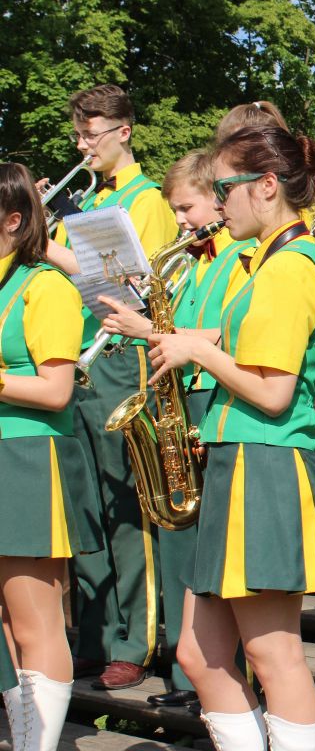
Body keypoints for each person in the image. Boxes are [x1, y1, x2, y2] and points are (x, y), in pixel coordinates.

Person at [147, 126, 315, 751]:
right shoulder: (268, 262)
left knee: (273, 655)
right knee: (199, 655)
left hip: (267, 464)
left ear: (266, 187)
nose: (217, 202)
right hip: (241, 460)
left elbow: (274, 392)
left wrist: (196, 353)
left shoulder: (289, 267)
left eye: (224, 188)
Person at [98, 150, 254, 710]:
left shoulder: (242, 256)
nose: (181, 220)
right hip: (182, 402)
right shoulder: (190, 262)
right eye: (175, 210)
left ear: (217, 197)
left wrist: (151, 330)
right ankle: (191, 679)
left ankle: (226, 677)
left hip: (218, 399)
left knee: (211, 549)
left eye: (187, 208)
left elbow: (228, 335)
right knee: (178, 538)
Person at [42, 84, 178, 689]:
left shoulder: (146, 200)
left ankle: (137, 639)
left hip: (121, 356)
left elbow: (128, 284)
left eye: (91, 134)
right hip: (79, 359)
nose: (82, 145)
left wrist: (44, 244)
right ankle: (95, 635)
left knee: (126, 502)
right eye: (78, 135)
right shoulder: (91, 198)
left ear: (124, 131)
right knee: (86, 502)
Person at [0, 163, 103, 751]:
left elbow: (57, 390)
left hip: (30, 457)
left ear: (14, 221)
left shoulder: (46, 286)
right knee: (8, 621)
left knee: (34, 617)